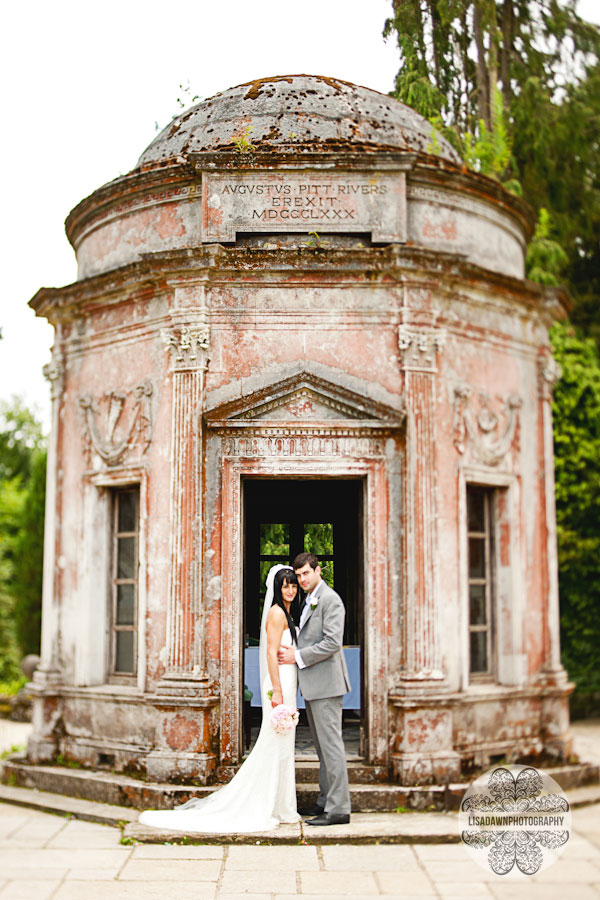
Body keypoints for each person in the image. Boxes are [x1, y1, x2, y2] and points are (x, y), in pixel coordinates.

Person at [138, 565, 301, 833]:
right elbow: (271, 653)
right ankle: (270, 805)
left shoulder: (286, 612)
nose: (291, 590)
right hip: (279, 682)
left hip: (287, 679)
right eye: (286, 585)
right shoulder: (275, 613)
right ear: (276, 588)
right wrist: (278, 691)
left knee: (283, 747)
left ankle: (281, 806)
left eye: (293, 585)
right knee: (275, 746)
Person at [277, 551, 351, 826]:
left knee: (332, 747)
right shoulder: (310, 599)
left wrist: (297, 656)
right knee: (323, 748)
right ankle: (325, 800)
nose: (302, 579)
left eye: (306, 573)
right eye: (298, 575)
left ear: (318, 570)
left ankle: (339, 808)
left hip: (327, 684)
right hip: (315, 685)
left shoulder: (330, 600)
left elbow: (332, 643)